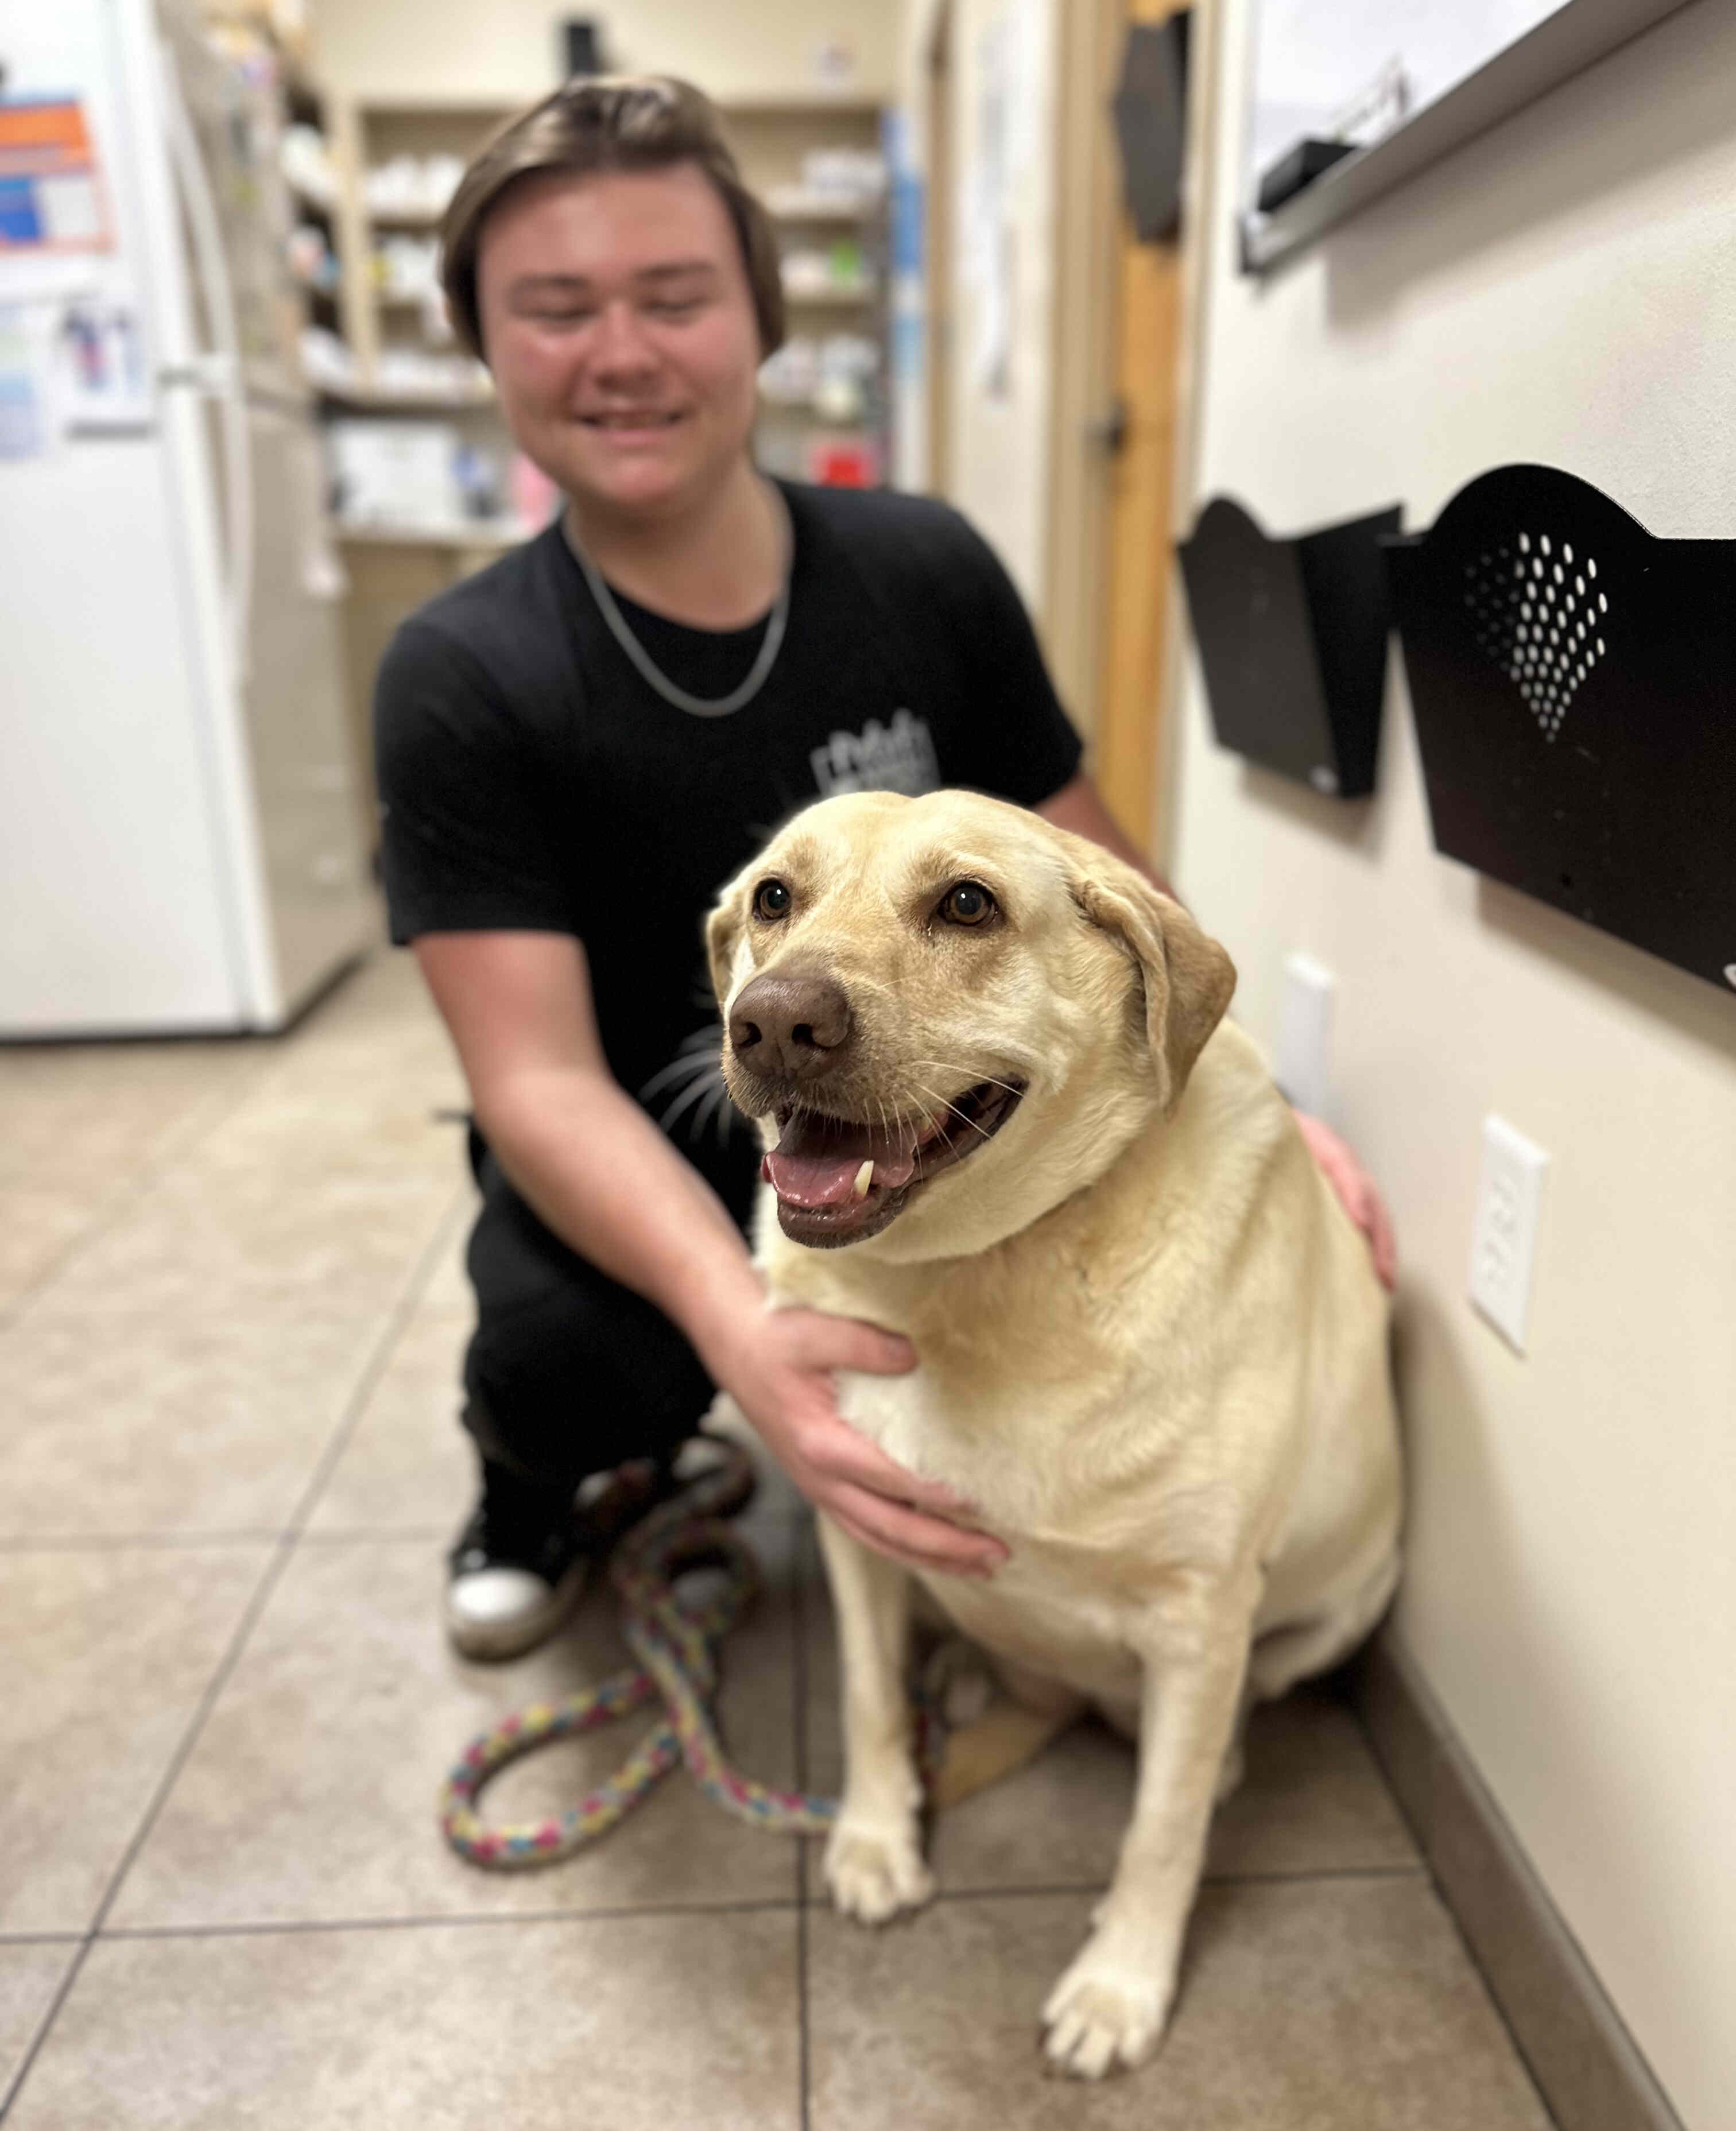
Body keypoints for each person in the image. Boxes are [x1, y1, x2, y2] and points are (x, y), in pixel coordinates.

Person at [373, 76, 1395, 1660]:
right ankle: (529, 1494)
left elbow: (1095, 876)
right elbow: (534, 1081)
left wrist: (1249, 1098)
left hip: (909, 1078)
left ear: (762, 321)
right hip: (665, 1111)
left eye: (674, 297)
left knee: (1048, 1246)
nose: (622, 352)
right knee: (564, 1366)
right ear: (483, 343)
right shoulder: (458, 672)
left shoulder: (925, 571)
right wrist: (744, 1323)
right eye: (556, 309)